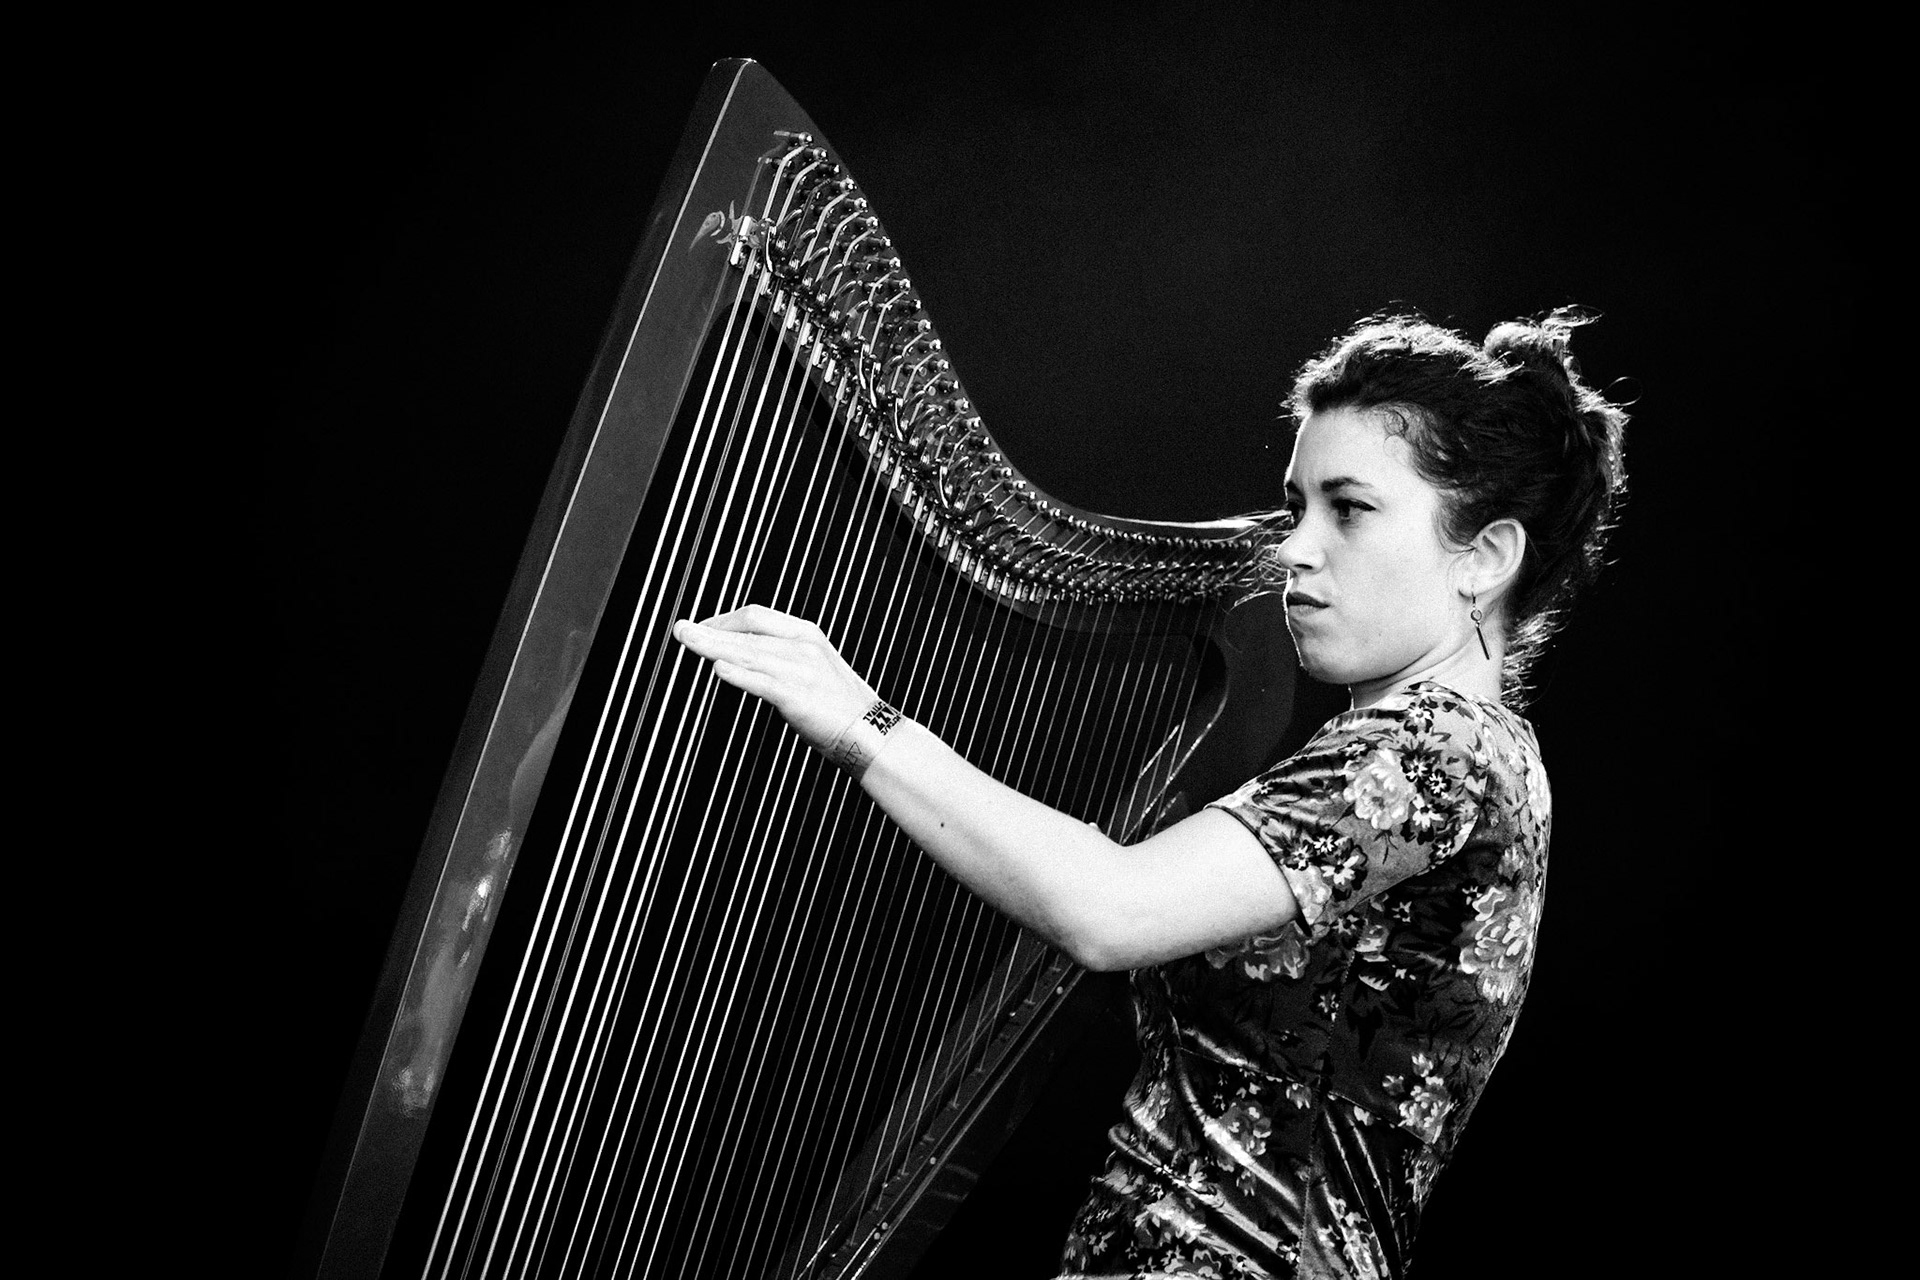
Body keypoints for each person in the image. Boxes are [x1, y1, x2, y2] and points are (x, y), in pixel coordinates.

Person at [672, 309, 1628, 1278]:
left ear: (1486, 557)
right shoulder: (1433, 751)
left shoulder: (1441, 747)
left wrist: (860, 717)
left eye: (1351, 508)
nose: (1295, 549)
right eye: (1296, 506)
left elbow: (1110, 907)